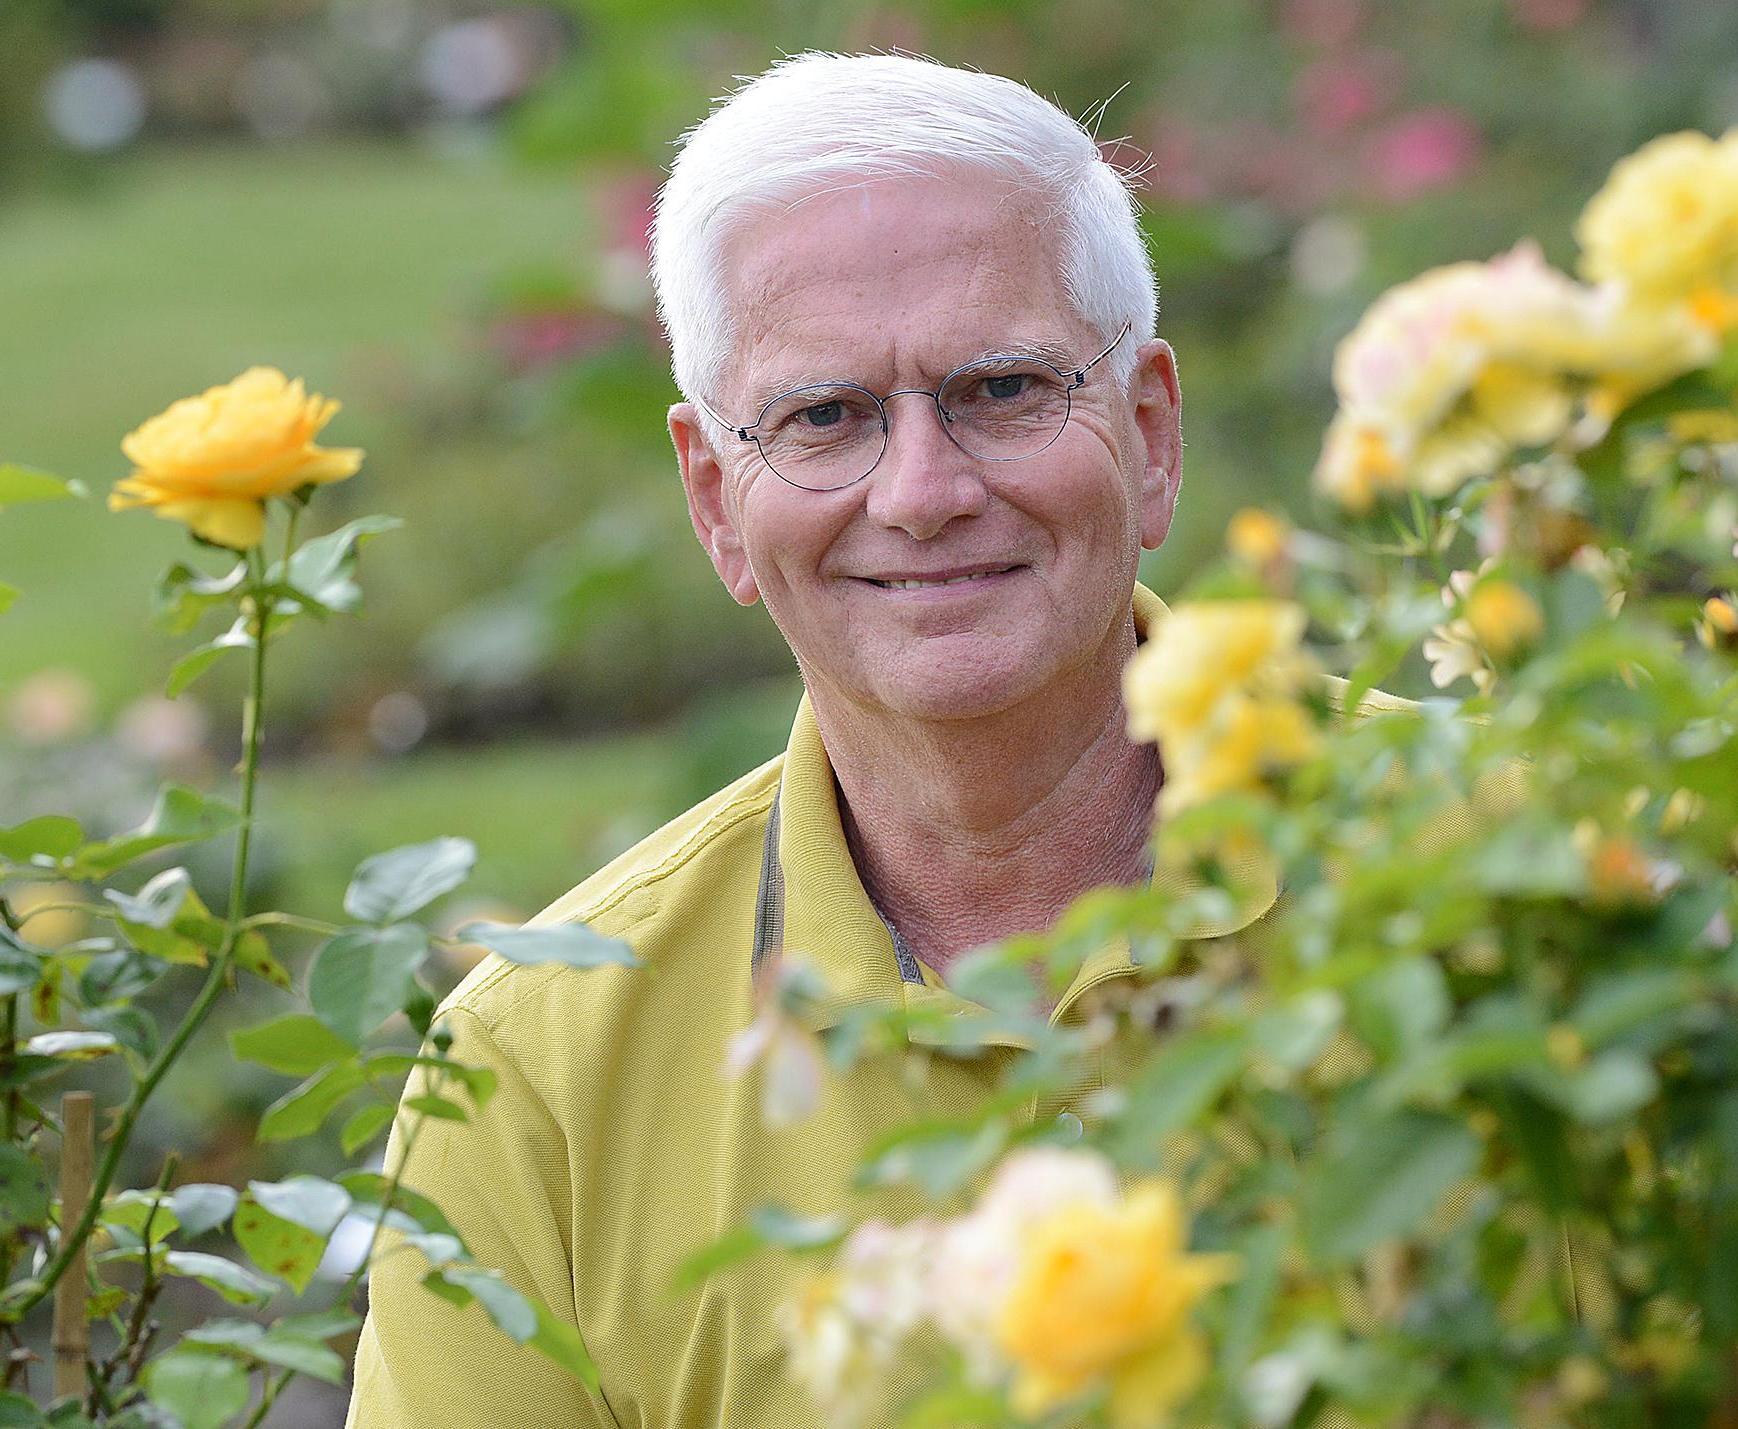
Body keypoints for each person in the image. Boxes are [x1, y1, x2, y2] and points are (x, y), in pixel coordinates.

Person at [347, 50, 1299, 1427]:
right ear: (714, 500)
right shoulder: (536, 1070)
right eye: (824, 417)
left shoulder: (1497, 864)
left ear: (1149, 435)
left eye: (1001, 389)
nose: (921, 492)